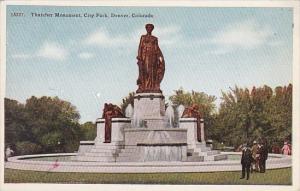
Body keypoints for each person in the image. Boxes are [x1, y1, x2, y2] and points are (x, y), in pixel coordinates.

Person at [136, 23, 165, 93]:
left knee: (153, 71)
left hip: (153, 56)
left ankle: (153, 86)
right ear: (146, 29)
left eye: (150, 28)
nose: (149, 29)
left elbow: (157, 49)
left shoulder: (155, 39)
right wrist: (139, 56)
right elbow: (140, 47)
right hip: (144, 56)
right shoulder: (143, 37)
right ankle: (143, 86)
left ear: (152, 29)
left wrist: (160, 58)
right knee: (145, 71)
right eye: (148, 28)